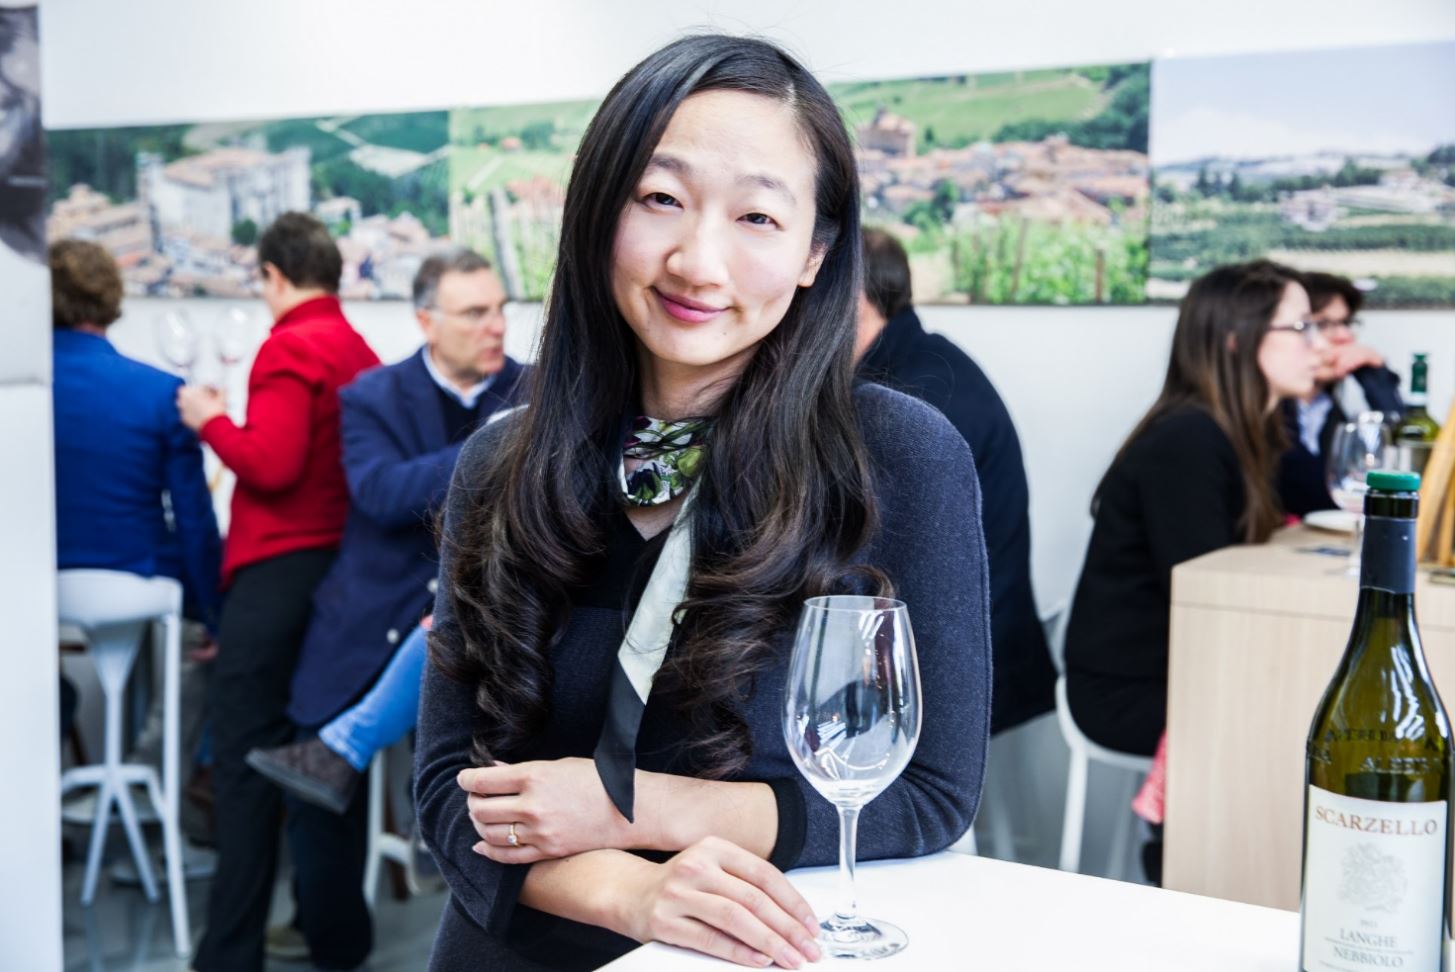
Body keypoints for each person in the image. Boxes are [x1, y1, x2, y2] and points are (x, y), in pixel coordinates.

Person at [416, 35, 992, 971]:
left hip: (748, 949)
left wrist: (629, 807)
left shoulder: (896, 456)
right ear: (598, 210)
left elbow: (927, 794)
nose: (698, 260)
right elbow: (448, 787)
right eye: (660, 199)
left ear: (814, 252)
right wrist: (633, 893)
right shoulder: (502, 462)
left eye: (757, 216)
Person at [246, 246, 526, 822]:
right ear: (427, 321)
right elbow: (381, 495)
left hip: (500, 626)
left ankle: (420, 822)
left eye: (500, 308)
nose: (496, 326)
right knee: (313, 817)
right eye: (475, 313)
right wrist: (491, 443)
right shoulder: (371, 395)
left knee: (472, 758)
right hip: (377, 614)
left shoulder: (542, 390)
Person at [176, 212, 380, 972]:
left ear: (272, 274)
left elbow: (271, 464)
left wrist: (210, 420)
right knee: (322, 761)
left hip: (276, 576)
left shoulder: (290, 344)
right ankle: (338, 941)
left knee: (243, 766)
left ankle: (229, 955)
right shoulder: (359, 350)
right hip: (342, 582)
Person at [1064, 259, 1326, 758]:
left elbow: (1324, 499)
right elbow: (1208, 596)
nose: (1319, 345)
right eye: (1301, 328)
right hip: (1132, 689)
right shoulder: (1188, 442)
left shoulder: (1251, 429)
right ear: (1236, 339)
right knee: (1306, 723)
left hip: (1189, 666)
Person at [855, 227, 1053, 733]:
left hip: (953, 675)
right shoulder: (925, 360)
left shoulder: (908, 399)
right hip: (976, 648)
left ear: (852, 298)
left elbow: (873, 560)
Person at [51, 238, 221, 626]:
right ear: (112, 297)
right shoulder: (161, 391)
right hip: (138, 578)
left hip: (30, 579)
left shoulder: (18, 391)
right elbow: (193, 518)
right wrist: (212, 615)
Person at [1276, 271, 1403, 517]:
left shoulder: (1325, 406)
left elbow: (1400, 462)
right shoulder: (1265, 406)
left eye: (1346, 323)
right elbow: (1314, 495)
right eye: (1323, 324)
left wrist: (1374, 377)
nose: (1346, 337)